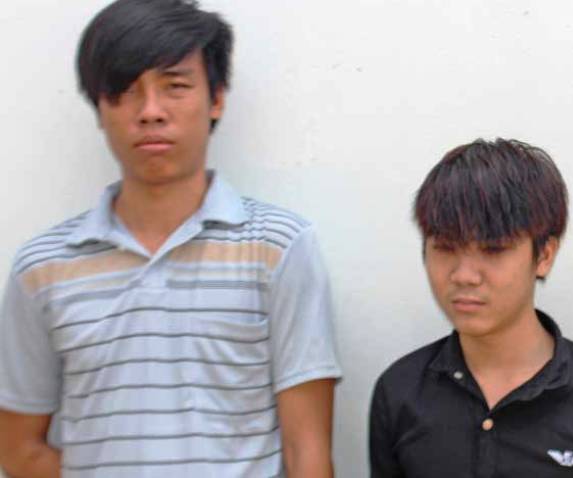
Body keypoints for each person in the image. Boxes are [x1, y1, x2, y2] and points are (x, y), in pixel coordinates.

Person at [0, 1, 341, 476]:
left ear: (216, 98)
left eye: (175, 86)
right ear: (99, 108)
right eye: (126, 91)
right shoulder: (42, 268)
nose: (151, 112)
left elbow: (308, 452)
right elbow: (17, 448)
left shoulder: (279, 247)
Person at [369, 138, 573, 477]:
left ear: (544, 255)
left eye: (493, 249)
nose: (464, 275)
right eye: (445, 247)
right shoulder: (399, 391)